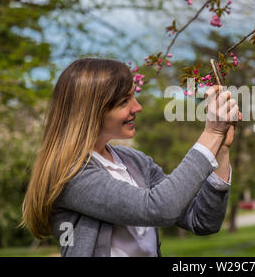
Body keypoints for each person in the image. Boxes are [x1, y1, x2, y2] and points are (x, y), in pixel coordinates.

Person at [20, 58, 241, 257]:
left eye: (133, 96)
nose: (138, 107)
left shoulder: (134, 161)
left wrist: (220, 148)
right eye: (124, 101)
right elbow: (159, 208)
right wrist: (211, 134)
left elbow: (202, 221)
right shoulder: (70, 174)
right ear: (92, 111)